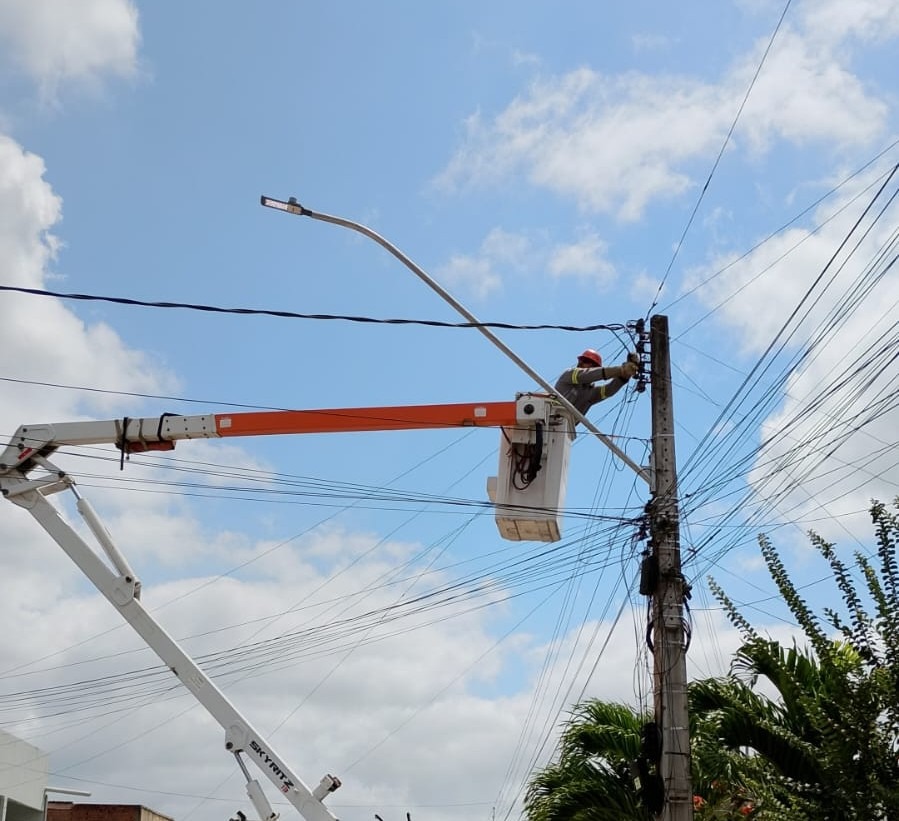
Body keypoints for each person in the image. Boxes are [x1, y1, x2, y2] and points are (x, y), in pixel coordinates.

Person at [554, 348, 639, 416]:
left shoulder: (590, 393)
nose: (581, 363)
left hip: (566, 430)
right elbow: (591, 374)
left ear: (595, 367)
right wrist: (621, 370)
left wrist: (625, 376)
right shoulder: (569, 375)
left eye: (586, 361)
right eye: (582, 360)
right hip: (550, 416)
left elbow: (608, 390)